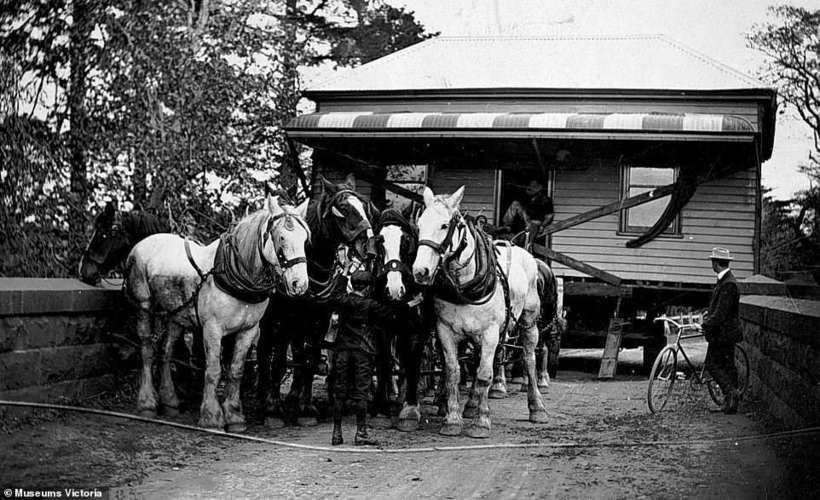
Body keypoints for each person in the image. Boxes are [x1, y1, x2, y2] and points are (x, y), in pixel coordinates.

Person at [323, 270, 401, 446]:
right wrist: (412, 303)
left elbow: (335, 293)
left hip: (342, 351)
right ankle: (361, 433)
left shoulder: (342, 301)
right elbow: (391, 314)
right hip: (362, 352)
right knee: (361, 393)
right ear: (367, 288)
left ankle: (336, 433)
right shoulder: (371, 305)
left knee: (340, 391)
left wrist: (343, 275)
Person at [699, 247, 742, 414]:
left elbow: (720, 314)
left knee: (712, 364)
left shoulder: (728, 284)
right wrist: (707, 314)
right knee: (728, 365)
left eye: (712, 261)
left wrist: (705, 324)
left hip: (723, 334)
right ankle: (731, 404)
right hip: (726, 333)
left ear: (715, 263)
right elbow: (718, 309)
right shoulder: (725, 280)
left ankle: (731, 393)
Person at [500, 179, 554, 251]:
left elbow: (549, 216)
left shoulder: (545, 200)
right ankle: (506, 225)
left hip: (535, 223)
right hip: (525, 221)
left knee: (528, 236)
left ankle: (526, 246)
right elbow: (523, 212)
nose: (529, 190)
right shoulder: (526, 198)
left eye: (532, 188)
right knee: (516, 204)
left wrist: (543, 226)